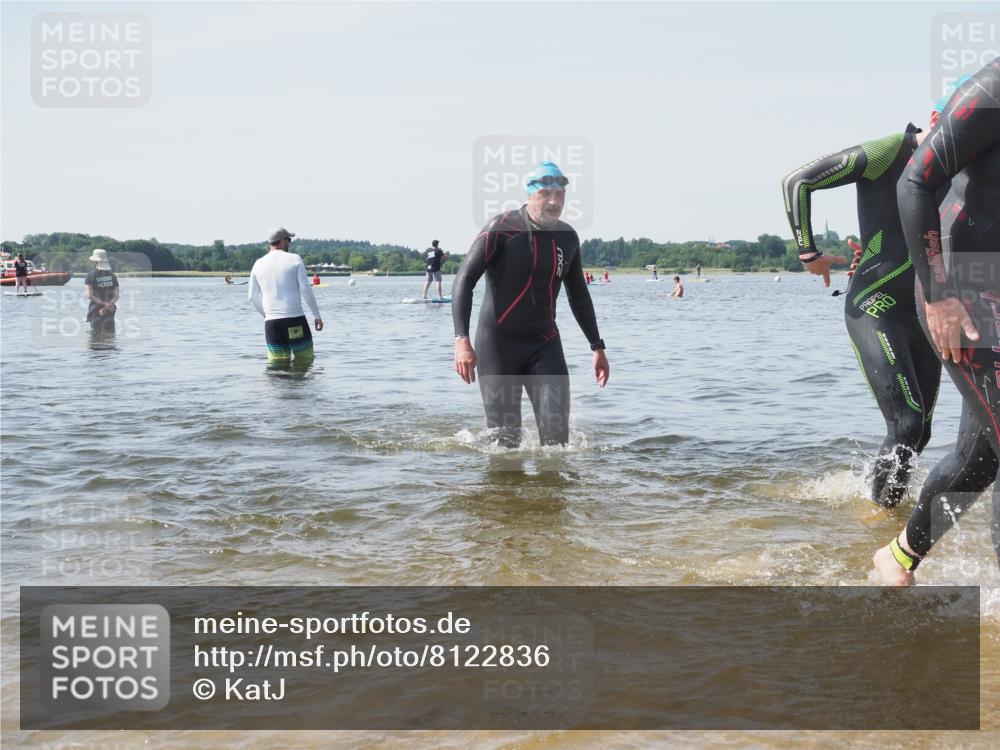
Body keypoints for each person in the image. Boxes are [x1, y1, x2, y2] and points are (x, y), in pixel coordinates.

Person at [874, 58, 1000, 583]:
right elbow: (916, 183)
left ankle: (899, 556)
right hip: (964, 293)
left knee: (981, 456)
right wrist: (939, 295)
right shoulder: (994, 88)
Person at [781, 113, 945, 509]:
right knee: (906, 424)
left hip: (927, 313)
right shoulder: (890, 152)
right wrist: (809, 255)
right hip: (876, 304)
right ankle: (878, 520)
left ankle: (888, 513)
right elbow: (798, 182)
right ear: (937, 117)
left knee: (920, 432)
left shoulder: (961, 168)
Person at [452, 161, 610, 447]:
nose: (553, 201)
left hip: (545, 344)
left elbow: (578, 295)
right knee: (505, 445)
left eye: (559, 194)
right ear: (529, 194)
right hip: (498, 346)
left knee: (558, 444)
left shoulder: (567, 238)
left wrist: (597, 347)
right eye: (545, 194)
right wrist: (461, 341)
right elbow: (464, 279)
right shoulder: (501, 228)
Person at [248, 227, 324, 365]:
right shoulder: (294, 259)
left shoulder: (258, 264)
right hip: (294, 320)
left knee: (276, 367)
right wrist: (317, 316)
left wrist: (266, 315)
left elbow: (252, 297)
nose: (289, 243)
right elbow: (305, 289)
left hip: (272, 324)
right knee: (305, 362)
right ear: (283, 240)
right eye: (289, 239)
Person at [84, 249, 119, 332]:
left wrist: (104, 305)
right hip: (110, 310)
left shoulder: (90, 275)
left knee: (96, 336)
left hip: (96, 311)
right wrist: (107, 307)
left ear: (95, 261)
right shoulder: (112, 275)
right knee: (110, 336)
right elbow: (117, 296)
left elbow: (90, 295)